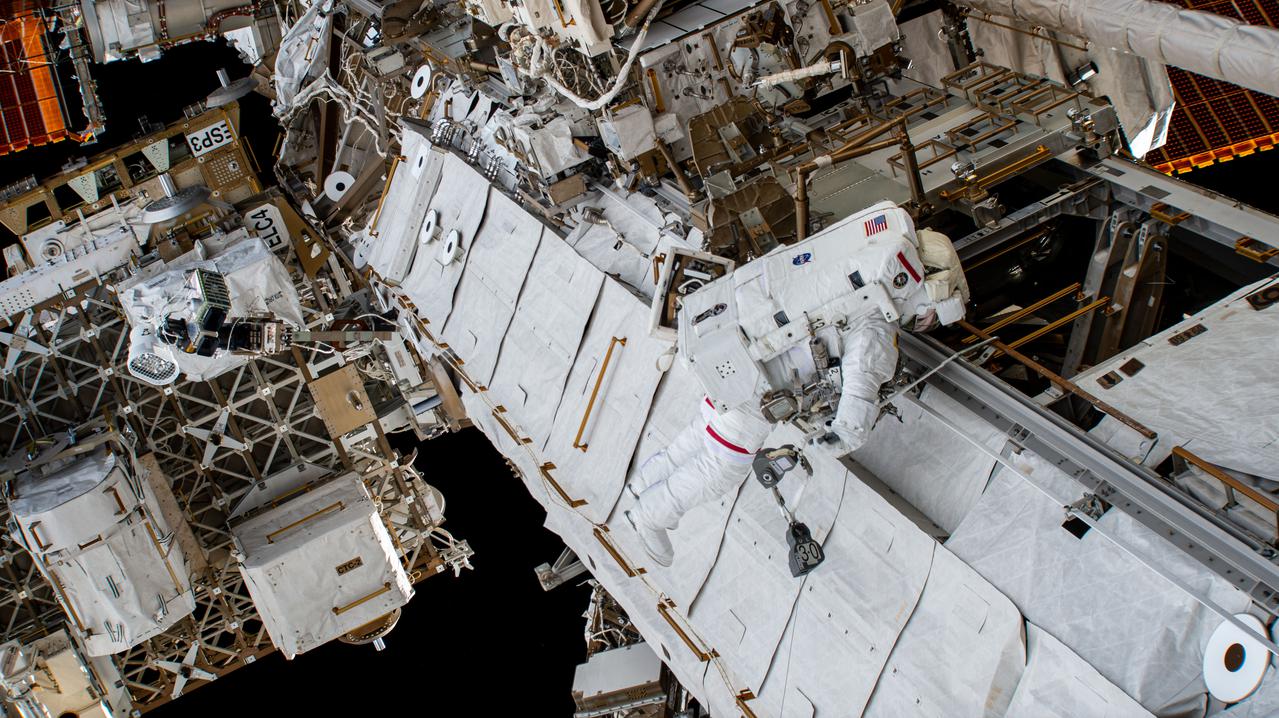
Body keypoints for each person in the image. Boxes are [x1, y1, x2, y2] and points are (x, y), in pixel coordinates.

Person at [626, 202, 968, 567]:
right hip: (754, 385)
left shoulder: (850, 270)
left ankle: (640, 487)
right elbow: (860, 387)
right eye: (928, 313)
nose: (921, 320)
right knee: (721, 467)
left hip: (727, 349)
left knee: (700, 434)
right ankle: (651, 516)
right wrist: (838, 439)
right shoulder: (877, 327)